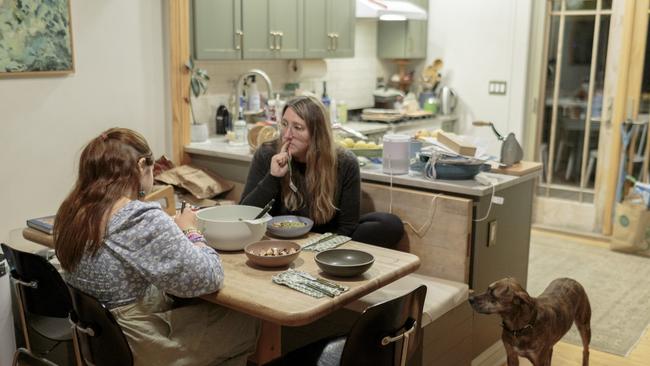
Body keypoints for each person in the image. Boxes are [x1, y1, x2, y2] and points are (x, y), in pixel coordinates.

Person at [54, 128, 259, 366]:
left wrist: (166, 232)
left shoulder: (73, 212)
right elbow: (209, 276)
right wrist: (189, 230)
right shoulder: (137, 217)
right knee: (246, 320)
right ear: (142, 166)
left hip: (100, 344)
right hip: (138, 345)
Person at [241, 95, 404, 248]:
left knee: (389, 224)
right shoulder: (267, 153)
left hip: (327, 237)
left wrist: (318, 247)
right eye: (284, 124)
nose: (287, 135)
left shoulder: (344, 162)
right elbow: (243, 215)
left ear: (317, 134)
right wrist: (273, 177)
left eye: (298, 127)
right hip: (279, 237)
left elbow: (348, 227)